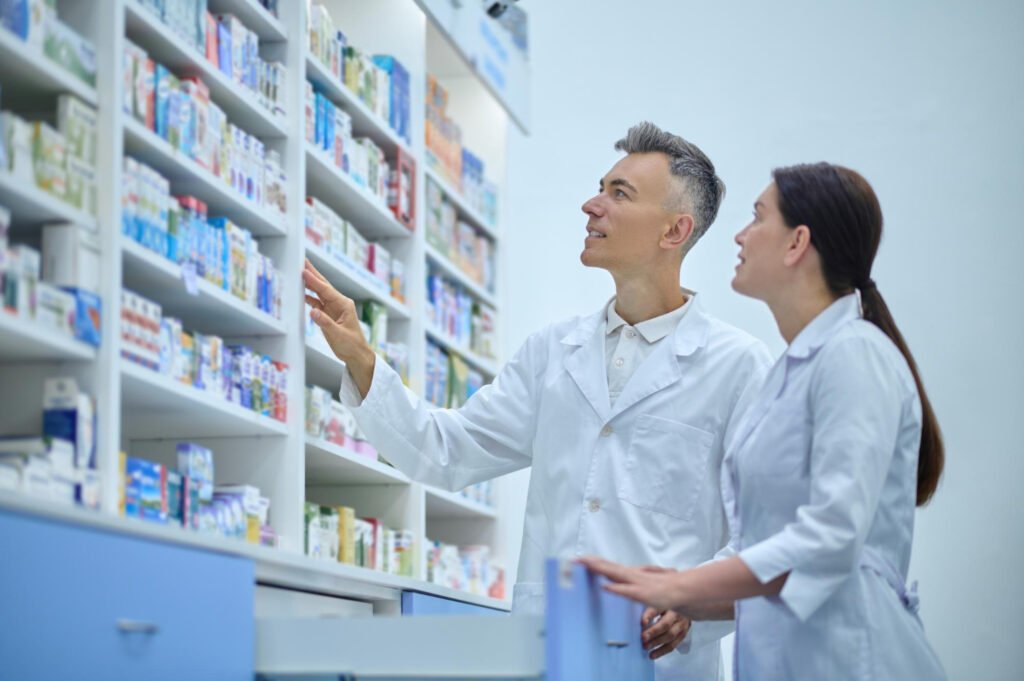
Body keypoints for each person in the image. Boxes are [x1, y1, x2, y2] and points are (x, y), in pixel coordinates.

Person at [303, 122, 772, 680]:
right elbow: (447, 451)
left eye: (618, 194)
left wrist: (697, 606)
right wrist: (360, 359)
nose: (591, 205)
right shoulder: (554, 351)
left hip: (661, 664)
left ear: (675, 230)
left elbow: (764, 536)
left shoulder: (738, 366)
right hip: (549, 653)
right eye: (601, 186)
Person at [582, 163, 947, 680]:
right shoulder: (790, 375)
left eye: (757, 217)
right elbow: (767, 562)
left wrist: (679, 588)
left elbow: (832, 537)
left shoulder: (856, 354)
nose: (739, 233)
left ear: (797, 242)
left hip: (854, 659)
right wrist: (686, 601)